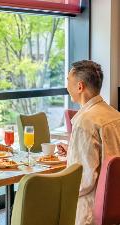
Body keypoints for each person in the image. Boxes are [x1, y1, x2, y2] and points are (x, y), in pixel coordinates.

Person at [57, 60, 120, 225]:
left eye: (68, 82)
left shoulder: (85, 121)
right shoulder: (115, 115)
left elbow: (83, 180)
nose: (67, 87)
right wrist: (73, 149)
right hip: (115, 203)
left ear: (80, 86)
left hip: (89, 211)